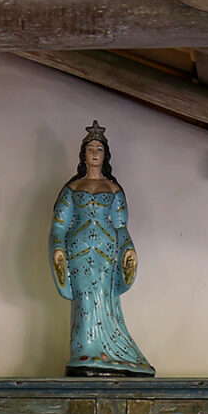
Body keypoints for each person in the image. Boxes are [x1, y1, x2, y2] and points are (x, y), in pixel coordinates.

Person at [50, 122, 155, 377]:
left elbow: (121, 227)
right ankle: (85, 351)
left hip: (107, 254)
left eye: (99, 148)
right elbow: (59, 226)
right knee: (84, 299)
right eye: (90, 148)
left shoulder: (114, 189)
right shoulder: (72, 190)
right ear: (83, 155)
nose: (95, 153)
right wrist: (57, 249)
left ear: (105, 155)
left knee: (105, 300)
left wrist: (128, 249)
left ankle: (109, 352)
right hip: (78, 252)